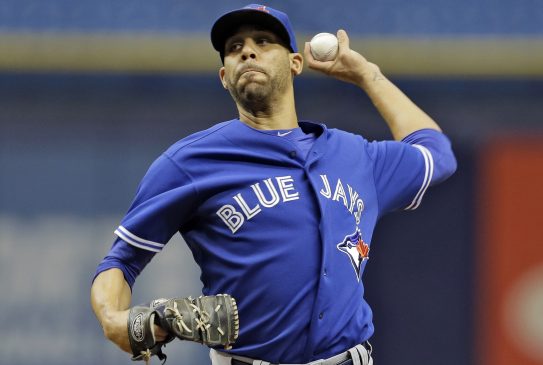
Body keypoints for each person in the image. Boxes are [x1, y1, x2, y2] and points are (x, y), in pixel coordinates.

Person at [90, 4, 457, 365]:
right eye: (234, 48)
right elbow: (121, 261)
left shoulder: (354, 155)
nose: (247, 50)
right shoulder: (189, 162)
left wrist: (367, 75)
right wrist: (112, 319)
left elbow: (437, 154)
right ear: (224, 76)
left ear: (295, 63)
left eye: (264, 41)